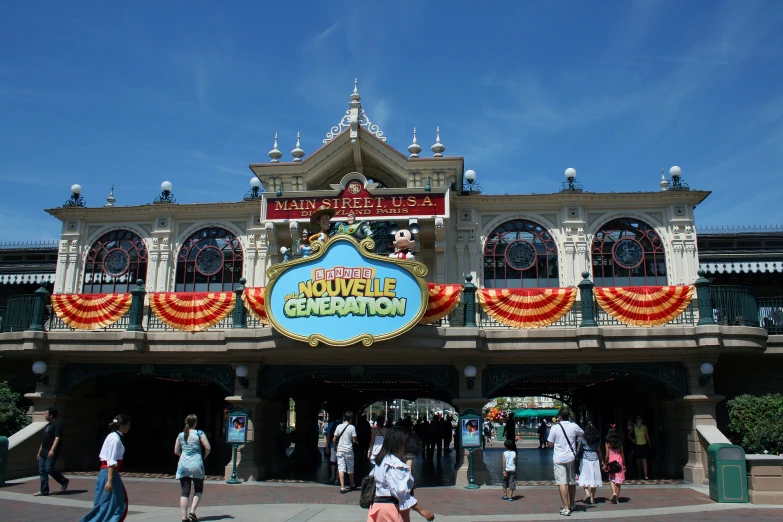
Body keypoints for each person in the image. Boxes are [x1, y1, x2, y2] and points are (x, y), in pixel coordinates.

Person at [367, 426, 435, 522]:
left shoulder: (381, 460)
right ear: (399, 444)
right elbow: (400, 493)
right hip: (392, 509)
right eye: (406, 442)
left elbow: (373, 477)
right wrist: (421, 509)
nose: (407, 445)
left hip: (377, 507)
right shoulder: (395, 464)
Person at [80, 414, 131, 522]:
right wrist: (110, 481)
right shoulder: (115, 439)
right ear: (122, 425)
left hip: (106, 472)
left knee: (106, 503)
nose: (129, 427)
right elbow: (111, 461)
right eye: (128, 425)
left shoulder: (111, 436)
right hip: (109, 473)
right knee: (115, 504)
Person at [547, 408, 584, 517]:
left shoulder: (555, 428)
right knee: (571, 482)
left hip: (559, 458)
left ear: (560, 417)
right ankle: (572, 503)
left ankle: (566, 507)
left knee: (562, 482)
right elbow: (582, 433)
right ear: (569, 416)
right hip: (571, 457)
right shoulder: (574, 426)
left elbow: (550, 444)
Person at [174, 414, 211, 522]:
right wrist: (204, 456)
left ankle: (184, 517)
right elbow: (208, 447)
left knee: (184, 491)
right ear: (196, 422)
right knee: (198, 489)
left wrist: (183, 455)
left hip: (183, 464)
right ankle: (192, 511)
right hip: (196, 463)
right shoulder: (199, 433)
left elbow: (176, 451)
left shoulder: (181, 435)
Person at [34, 407, 69, 496]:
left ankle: (63, 481)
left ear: (51, 415)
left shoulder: (57, 425)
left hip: (50, 451)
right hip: (43, 451)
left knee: (48, 468)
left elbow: (57, 438)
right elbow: (44, 440)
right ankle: (44, 491)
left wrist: (52, 450)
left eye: (46, 413)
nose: (44, 415)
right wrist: (39, 451)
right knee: (42, 471)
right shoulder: (47, 426)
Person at [577, 422, 604, 505]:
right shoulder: (597, 438)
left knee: (584, 477)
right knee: (594, 478)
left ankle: (587, 493)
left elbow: (578, 448)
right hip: (595, 457)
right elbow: (599, 451)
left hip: (585, 458)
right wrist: (602, 461)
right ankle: (592, 498)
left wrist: (576, 456)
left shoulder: (583, 438)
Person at [333, 410, 358, 493]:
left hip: (340, 450)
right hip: (348, 450)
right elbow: (354, 440)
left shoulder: (338, 426)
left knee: (341, 468)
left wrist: (335, 446)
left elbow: (334, 439)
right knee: (350, 468)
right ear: (350, 418)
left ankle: (342, 487)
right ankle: (352, 484)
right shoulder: (352, 427)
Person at [603, 424, 626, 504]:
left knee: (612, 478)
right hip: (619, 460)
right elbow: (622, 454)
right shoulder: (620, 442)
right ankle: (616, 497)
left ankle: (614, 493)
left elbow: (607, 455)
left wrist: (606, 463)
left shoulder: (608, 443)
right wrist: (624, 464)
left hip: (611, 461)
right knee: (618, 480)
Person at [630, 415, 651, 480]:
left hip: (643, 444)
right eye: (638, 419)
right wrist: (632, 439)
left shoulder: (644, 427)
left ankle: (645, 475)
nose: (639, 420)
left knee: (644, 460)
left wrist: (649, 443)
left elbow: (647, 435)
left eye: (640, 419)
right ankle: (639, 473)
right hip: (637, 445)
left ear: (642, 420)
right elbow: (628, 435)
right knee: (638, 462)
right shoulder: (633, 427)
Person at [325, 416, 339, 484]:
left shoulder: (331, 424)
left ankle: (333, 475)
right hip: (341, 446)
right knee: (340, 463)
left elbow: (328, 435)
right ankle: (337, 478)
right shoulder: (343, 424)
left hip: (332, 445)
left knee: (333, 462)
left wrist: (327, 446)